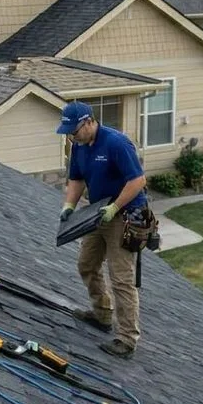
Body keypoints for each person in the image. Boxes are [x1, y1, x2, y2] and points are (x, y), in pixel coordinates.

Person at [57, 101, 149, 359]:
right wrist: (69, 205)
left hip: (126, 213)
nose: (71, 137)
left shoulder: (116, 143)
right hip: (99, 212)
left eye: (74, 131)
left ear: (88, 122)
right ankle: (102, 314)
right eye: (68, 133)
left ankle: (127, 339)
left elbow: (138, 180)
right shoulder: (79, 146)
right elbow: (76, 178)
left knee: (121, 278)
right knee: (86, 264)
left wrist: (115, 207)